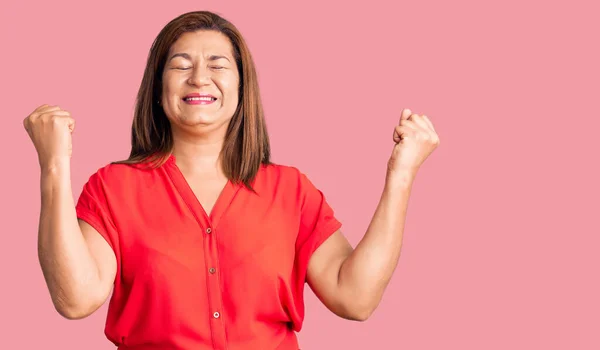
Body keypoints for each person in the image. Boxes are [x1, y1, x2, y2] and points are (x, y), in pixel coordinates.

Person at [22, 10, 440, 350]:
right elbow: (75, 299)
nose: (199, 77)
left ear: (242, 86)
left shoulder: (291, 191)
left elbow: (356, 298)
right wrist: (54, 164)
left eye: (217, 65)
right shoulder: (114, 188)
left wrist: (400, 175)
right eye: (180, 65)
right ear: (157, 88)